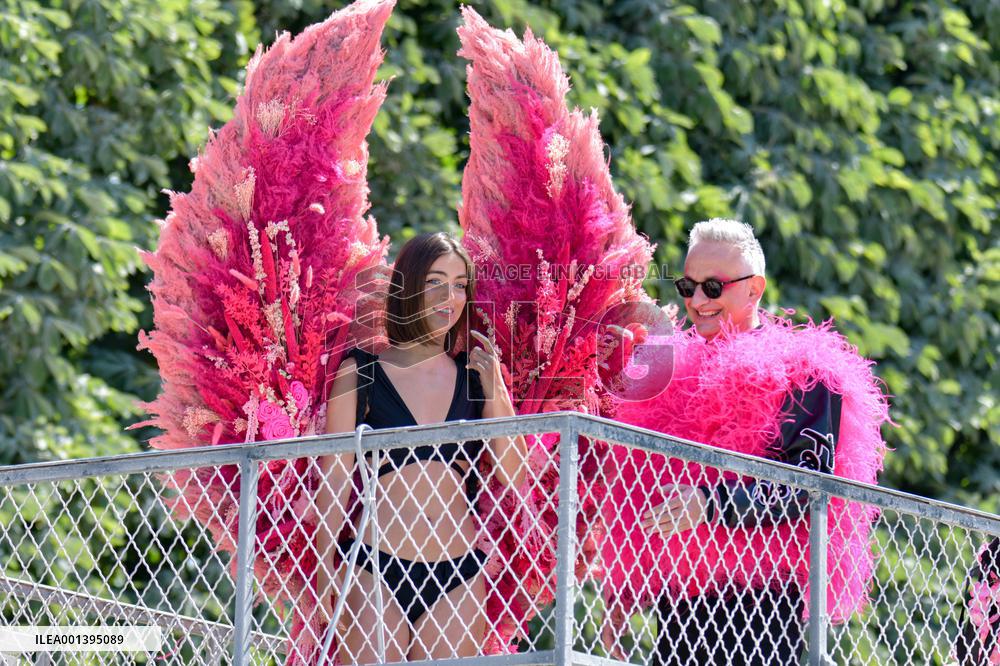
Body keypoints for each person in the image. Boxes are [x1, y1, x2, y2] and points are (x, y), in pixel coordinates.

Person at [602, 218, 889, 665]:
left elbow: (810, 486)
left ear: (754, 289)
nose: (698, 301)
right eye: (688, 286)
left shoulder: (804, 370)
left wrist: (711, 503)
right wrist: (625, 590)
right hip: (677, 612)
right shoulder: (665, 372)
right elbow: (643, 491)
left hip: (761, 612)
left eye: (713, 287)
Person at [314, 232, 527, 664]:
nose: (450, 297)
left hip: (458, 574)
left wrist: (497, 391)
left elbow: (513, 473)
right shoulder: (361, 371)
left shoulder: (474, 376)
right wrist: (323, 567)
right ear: (408, 287)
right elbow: (335, 478)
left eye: (459, 285)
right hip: (376, 566)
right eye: (434, 282)